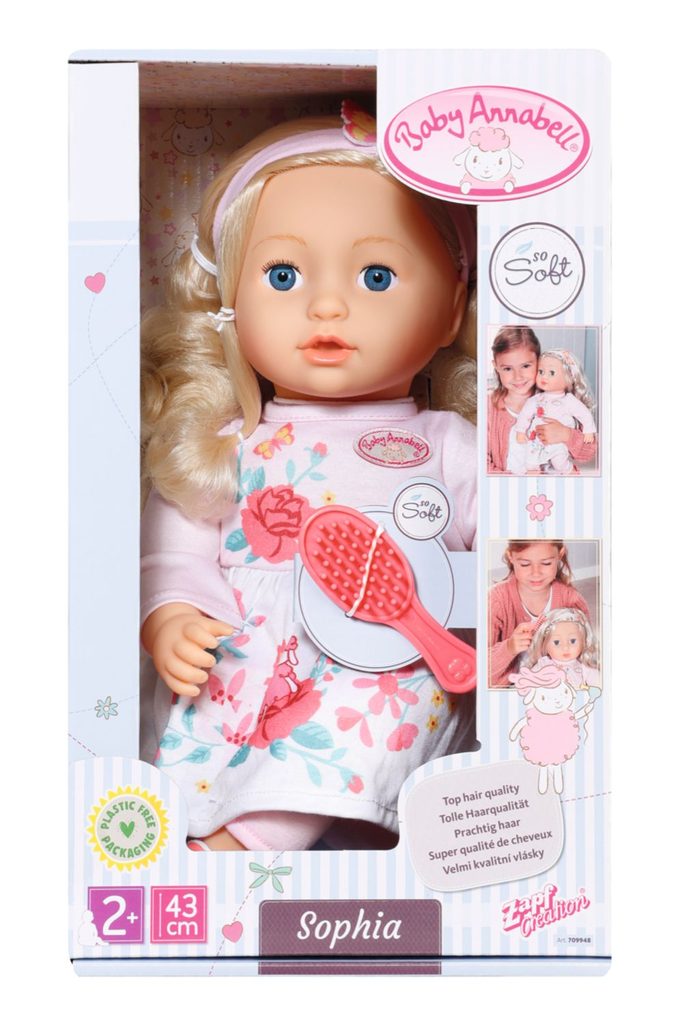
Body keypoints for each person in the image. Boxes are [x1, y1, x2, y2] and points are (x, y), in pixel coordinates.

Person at [140, 106, 477, 851]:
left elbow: (515, 552)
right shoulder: (221, 445)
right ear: (230, 305)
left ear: (451, 309)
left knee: (383, 702)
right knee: (204, 729)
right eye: (283, 275)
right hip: (246, 656)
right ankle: (202, 835)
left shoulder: (448, 447)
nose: (327, 305)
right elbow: (173, 553)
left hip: (390, 660)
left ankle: (244, 846)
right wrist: (172, 616)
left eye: (377, 276)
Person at [487, 327, 596, 474]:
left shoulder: (560, 402)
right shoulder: (488, 407)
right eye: (507, 369)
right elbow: (482, 464)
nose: (518, 376)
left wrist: (566, 434)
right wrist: (517, 481)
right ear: (496, 366)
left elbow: (589, 452)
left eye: (526, 366)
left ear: (538, 362)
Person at [488, 540, 590, 687]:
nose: (536, 573)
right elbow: (480, 669)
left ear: (559, 555)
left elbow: (586, 654)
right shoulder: (496, 600)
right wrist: (509, 648)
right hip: (511, 687)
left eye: (546, 563)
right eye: (525, 564)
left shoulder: (572, 600)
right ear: (511, 557)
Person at [515, 349, 597, 475]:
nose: (544, 376)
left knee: (559, 462)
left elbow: (585, 414)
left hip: (558, 442)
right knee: (530, 464)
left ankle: (571, 472)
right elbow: (525, 415)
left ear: (568, 379)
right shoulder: (536, 399)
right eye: (541, 372)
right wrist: (521, 431)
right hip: (536, 441)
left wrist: (589, 431)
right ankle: (533, 482)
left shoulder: (569, 400)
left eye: (551, 373)